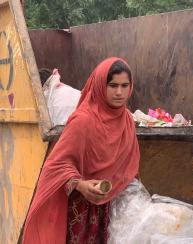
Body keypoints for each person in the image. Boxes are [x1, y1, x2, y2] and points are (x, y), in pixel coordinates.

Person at [23, 57, 140, 243]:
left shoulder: (126, 120)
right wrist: (80, 184)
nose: (119, 92)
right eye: (112, 85)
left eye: (125, 85)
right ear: (101, 85)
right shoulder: (84, 120)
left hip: (109, 205)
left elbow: (128, 164)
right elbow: (56, 164)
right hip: (79, 208)